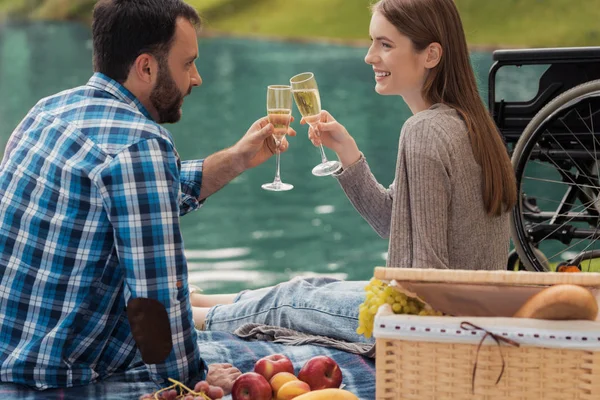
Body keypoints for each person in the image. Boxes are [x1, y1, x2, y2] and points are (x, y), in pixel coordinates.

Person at [0, 0, 295, 393]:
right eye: (188, 63)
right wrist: (190, 379)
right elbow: (155, 300)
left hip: (12, 356)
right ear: (146, 67)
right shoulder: (140, 144)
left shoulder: (49, 111)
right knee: (256, 355)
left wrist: (237, 159)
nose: (197, 78)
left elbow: (141, 199)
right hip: (57, 379)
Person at [191, 0, 517, 344]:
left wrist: (387, 318)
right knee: (306, 289)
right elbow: (396, 224)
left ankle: (178, 317)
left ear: (431, 55)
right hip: (466, 316)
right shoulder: (469, 123)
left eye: (385, 44)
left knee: (291, 303)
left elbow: (426, 278)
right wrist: (347, 152)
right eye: (372, 41)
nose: (370, 56)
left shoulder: (425, 131)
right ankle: (195, 301)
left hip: (428, 326)